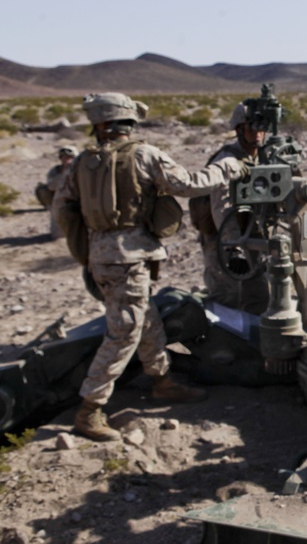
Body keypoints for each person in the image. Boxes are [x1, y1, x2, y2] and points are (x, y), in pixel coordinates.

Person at [54, 92, 248, 442]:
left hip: (102, 256)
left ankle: (162, 382)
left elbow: (63, 208)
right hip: (129, 256)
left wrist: (87, 248)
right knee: (125, 331)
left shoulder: (82, 162)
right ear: (129, 122)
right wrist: (227, 168)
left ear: (99, 125)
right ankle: (89, 408)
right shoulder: (144, 155)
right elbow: (188, 185)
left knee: (146, 318)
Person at [193, 102, 270, 314]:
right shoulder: (227, 161)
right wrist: (233, 248)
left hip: (250, 236)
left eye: (261, 128)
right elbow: (223, 206)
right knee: (227, 298)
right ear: (239, 130)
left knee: (259, 296)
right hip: (223, 239)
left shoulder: (263, 157)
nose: (257, 134)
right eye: (251, 128)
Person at [35, 145, 78, 238]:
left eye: (69, 157)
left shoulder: (81, 170)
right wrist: (65, 173)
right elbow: (51, 186)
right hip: (60, 201)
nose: (66, 160)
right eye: (64, 157)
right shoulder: (56, 171)